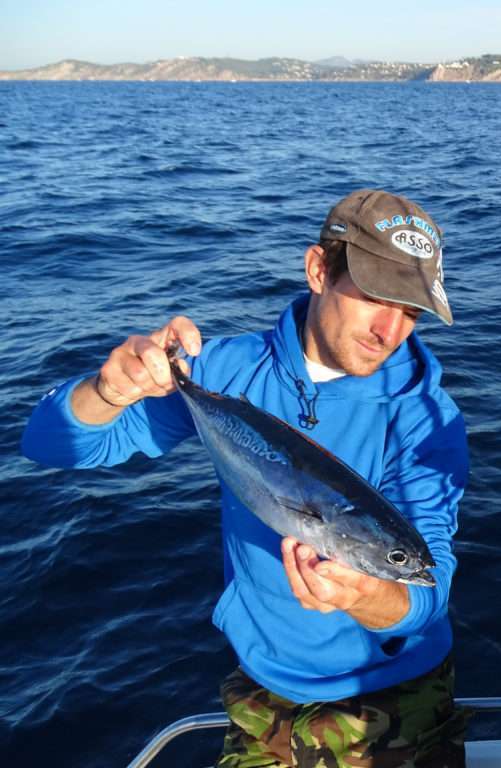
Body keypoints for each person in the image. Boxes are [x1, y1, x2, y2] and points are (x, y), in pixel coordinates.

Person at [22, 189, 469, 768]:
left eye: (410, 310)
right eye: (376, 296)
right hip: (262, 689)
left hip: (400, 692)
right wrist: (109, 391)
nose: (390, 329)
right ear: (317, 269)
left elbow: (429, 585)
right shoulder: (226, 373)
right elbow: (50, 446)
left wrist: (374, 598)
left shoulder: (428, 421)